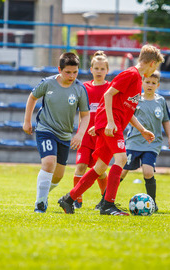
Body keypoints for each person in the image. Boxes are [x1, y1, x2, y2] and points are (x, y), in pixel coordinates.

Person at [58, 44, 164, 216]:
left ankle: (69, 199)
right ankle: (108, 205)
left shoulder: (137, 80)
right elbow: (107, 95)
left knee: (99, 167)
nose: (154, 70)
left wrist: (142, 130)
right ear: (152, 63)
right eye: (156, 66)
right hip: (111, 124)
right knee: (121, 159)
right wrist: (108, 122)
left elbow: (127, 110)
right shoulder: (130, 74)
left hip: (114, 124)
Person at [96, 71, 170, 212]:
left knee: (148, 172)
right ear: (142, 83)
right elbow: (127, 116)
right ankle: (104, 201)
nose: (150, 85)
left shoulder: (161, 101)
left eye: (153, 83)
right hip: (133, 142)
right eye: (147, 82)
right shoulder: (136, 99)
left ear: (158, 85)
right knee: (122, 171)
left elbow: (166, 121)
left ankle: (152, 203)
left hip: (152, 143)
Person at [23, 52, 90, 213]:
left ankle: (43, 195)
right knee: (48, 163)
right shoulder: (48, 83)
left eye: (75, 72)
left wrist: (80, 134)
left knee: (59, 175)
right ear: (59, 69)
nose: (72, 76)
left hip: (65, 135)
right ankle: (40, 203)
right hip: (45, 129)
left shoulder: (80, 89)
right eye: (68, 72)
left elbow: (85, 115)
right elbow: (32, 97)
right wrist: (26, 121)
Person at [72, 51, 110, 209]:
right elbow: (81, 113)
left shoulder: (110, 89)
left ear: (107, 70)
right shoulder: (84, 88)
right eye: (97, 68)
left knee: (100, 171)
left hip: (102, 136)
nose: (99, 71)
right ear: (91, 69)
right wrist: (79, 133)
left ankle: (105, 198)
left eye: (102, 68)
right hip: (86, 135)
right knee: (80, 166)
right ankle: (76, 198)